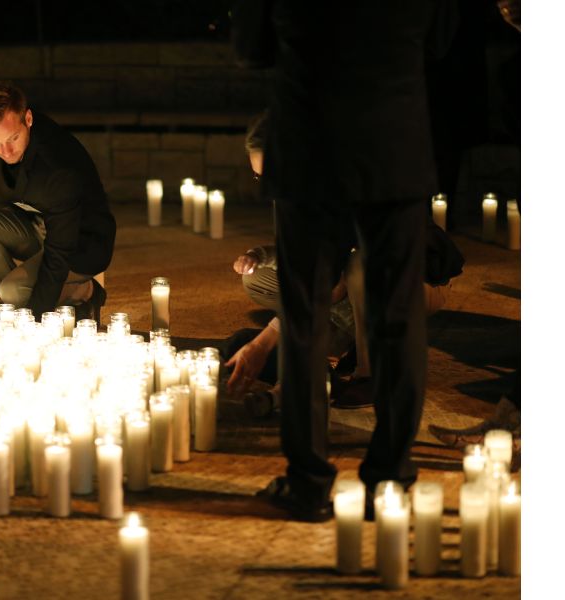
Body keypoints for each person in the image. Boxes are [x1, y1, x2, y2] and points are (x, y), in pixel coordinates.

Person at [241, 0, 457, 522]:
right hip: (392, 141)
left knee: (304, 317)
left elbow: (252, 45)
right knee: (396, 316)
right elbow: (442, 38)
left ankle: (309, 482)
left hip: (308, 140)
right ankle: (389, 480)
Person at [224, 114, 463, 412]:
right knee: (257, 282)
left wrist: (263, 342)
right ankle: (346, 341)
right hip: (347, 286)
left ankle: (371, 374)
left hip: (412, 281)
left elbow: (330, 287)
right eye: (260, 177)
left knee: (357, 267)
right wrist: (260, 257)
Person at [0, 82, 116, 319]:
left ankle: (87, 293)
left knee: (14, 290)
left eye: (12, 138)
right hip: (41, 225)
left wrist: (36, 319)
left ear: (28, 118)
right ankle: (22, 304)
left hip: (80, 242)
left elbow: (59, 253)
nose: (5, 151)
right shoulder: (18, 129)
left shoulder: (56, 171)